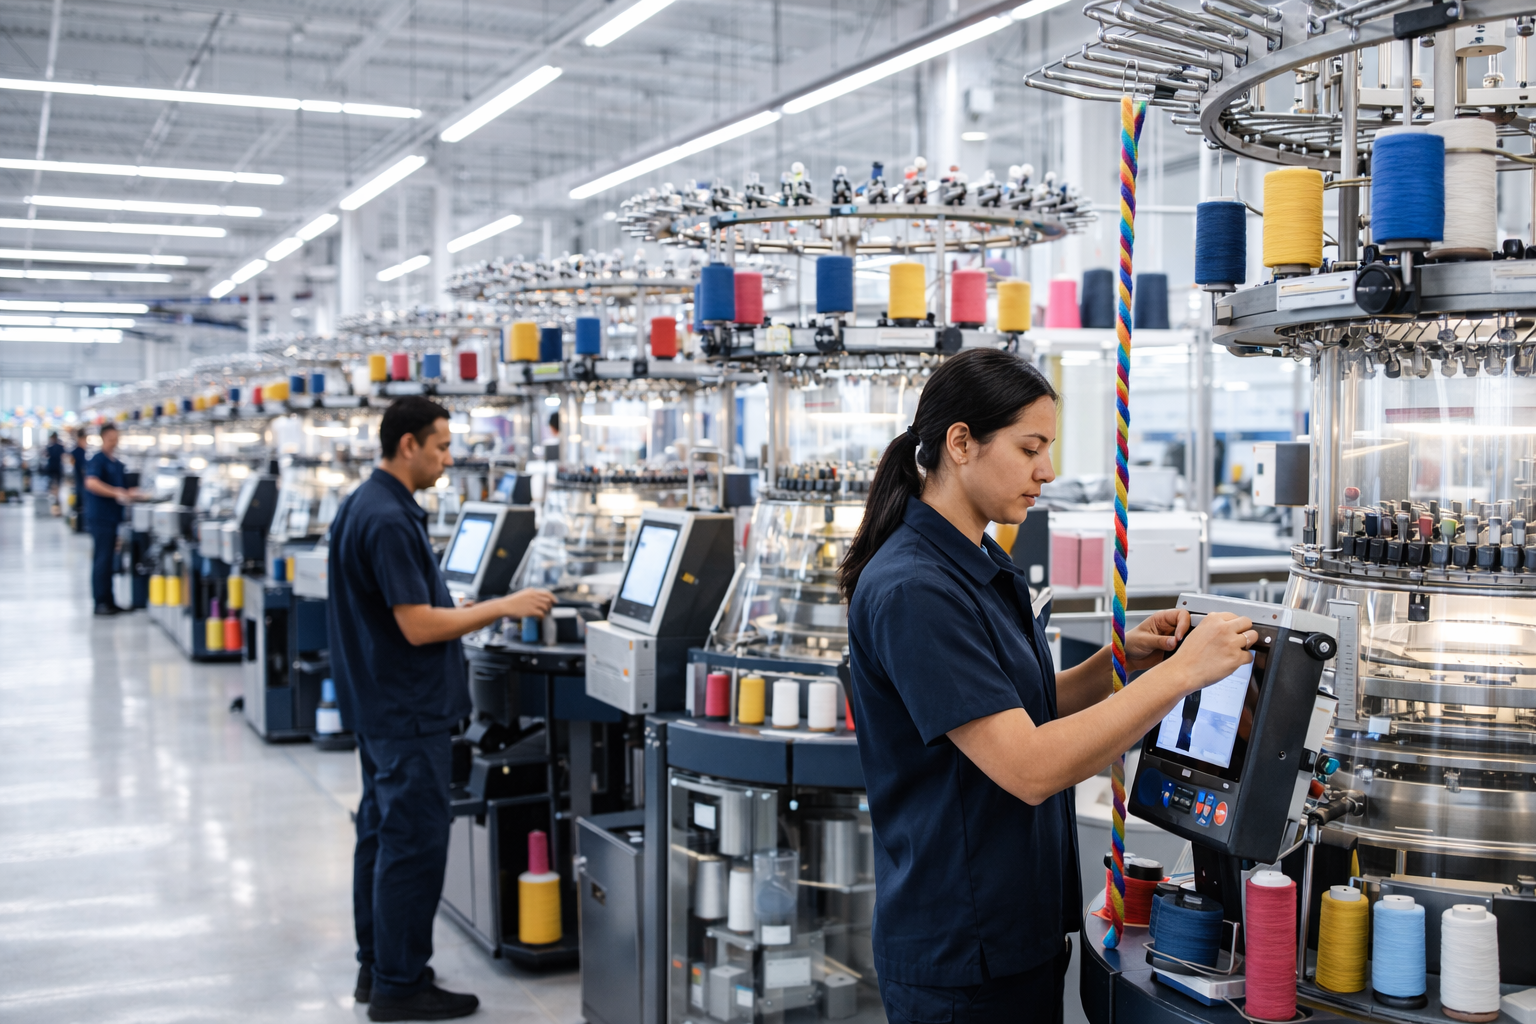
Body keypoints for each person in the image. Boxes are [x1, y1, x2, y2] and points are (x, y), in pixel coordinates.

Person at [839, 349, 1257, 1024]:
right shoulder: (917, 589)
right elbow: (1029, 767)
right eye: (1030, 448)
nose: (1048, 472)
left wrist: (1124, 665)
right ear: (960, 443)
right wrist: (1185, 675)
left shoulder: (974, 558)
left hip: (1011, 931)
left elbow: (1021, 708)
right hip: (962, 954)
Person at [327, 396, 555, 1023]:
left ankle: (379, 970)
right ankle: (401, 988)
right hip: (407, 712)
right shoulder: (390, 520)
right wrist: (503, 607)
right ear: (408, 445)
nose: (448, 460)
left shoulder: (364, 505)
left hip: (379, 707)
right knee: (412, 843)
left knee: (379, 834)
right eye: (441, 446)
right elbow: (420, 626)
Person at [82, 424, 136, 615]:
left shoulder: (116, 463)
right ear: (104, 437)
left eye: (117, 437)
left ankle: (110, 600)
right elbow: (91, 482)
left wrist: (134, 494)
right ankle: (101, 603)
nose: (115, 441)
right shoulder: (98, 460)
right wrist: (116, 492)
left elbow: (122, 489)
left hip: (112, 517)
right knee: (102, 559)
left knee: (110, 560)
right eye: (112, 437)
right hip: (101, 517)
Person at [70, 428, 90, 532]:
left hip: (78, 480)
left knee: (80, 503)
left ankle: (80, 525)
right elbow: (83, 468)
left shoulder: (75, 451)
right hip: (81, 481)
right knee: (82, 503)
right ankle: (82, 525)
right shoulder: (80, 452)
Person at [43, 432, 65, 514]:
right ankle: (56, 498)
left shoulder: (49, 447)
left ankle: (54, 498)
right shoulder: (60, 447)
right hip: (57, 468)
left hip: (52, 468)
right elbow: (63, 457)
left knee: (53, 484)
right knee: (57, 484)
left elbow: (46, 455)